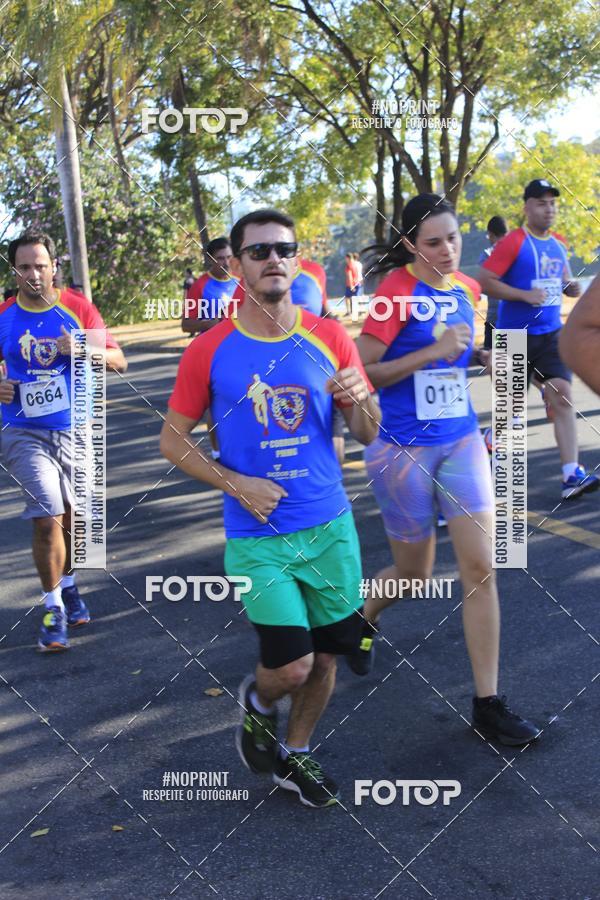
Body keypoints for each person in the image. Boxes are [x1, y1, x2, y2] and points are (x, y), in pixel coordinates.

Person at [161, 208, 380, 807]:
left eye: (283, 248)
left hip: (331, 526)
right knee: (290, 668)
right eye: (258, 252)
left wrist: (363, 400)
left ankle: (297, 753)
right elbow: (171, 439)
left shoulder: (329, 335)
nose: (273, 259)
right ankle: (259, 702)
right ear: (236, 266)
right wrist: (237, 483)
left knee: (329, 656)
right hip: (259, 536)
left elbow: (365, 431)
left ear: (296, 258)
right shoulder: (209, 351)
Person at [349, 193, 540, 747]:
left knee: (482, 566)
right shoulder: (394, 295)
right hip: (401, 450)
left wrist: (480, 359)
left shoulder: (469, 291)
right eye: (433, 242)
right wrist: (428, 354)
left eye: (454, 238)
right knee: (414, 575)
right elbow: (364, 372)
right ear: (410, 245)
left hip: (459, 442)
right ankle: (364, 617)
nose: (448, 250)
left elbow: (461, 354)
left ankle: (488, 703)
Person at [0, 229, 127, 651]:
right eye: (24, 267)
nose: (33, 273)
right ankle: (53, 606)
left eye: (41, 265)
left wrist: (82, 349)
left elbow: (118, 360)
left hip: (75, 428)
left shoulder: (77, 308)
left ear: (55, 267)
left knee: (72, 517)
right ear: (14, 271)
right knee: (46, 513)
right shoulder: (4, 315)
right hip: (22, 430)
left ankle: (69, 584)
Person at [478, 179, 598, 500]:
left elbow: (563, 279)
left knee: (563, 395)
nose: (549, 209)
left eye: (553, 203)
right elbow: (485, 281)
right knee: (511, 415)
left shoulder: (558, 243)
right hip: (514, 337)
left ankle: (571, 474)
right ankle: (487, 443)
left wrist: (571, 287)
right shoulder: (513, 242)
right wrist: (522, 294)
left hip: (549, 335)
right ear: (526, 207)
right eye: (542, 203)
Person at [181, 237, 237, 335]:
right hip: (213, 347)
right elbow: (185, 325)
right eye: (220, 258)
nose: (226, 263)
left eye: (229, 257)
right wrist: (208, 324)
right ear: (210, 259)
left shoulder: (240, 282)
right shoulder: (199, 286)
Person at [560, 273, 600, 396]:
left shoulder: (559, 252)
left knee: (561, 396)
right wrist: (526, 295)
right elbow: (497, 285)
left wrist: (569, 287)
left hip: (551, 330)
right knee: (508, 402)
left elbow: (565, 283)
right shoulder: (509, 252)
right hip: (513, 328)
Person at [478, 216, 508, 351]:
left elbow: (482, 285)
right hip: (513, 319)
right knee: (512, 369)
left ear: (490, 234)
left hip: (494, 319)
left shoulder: (487, 255)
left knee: (495, 365)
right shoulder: (518, 252)